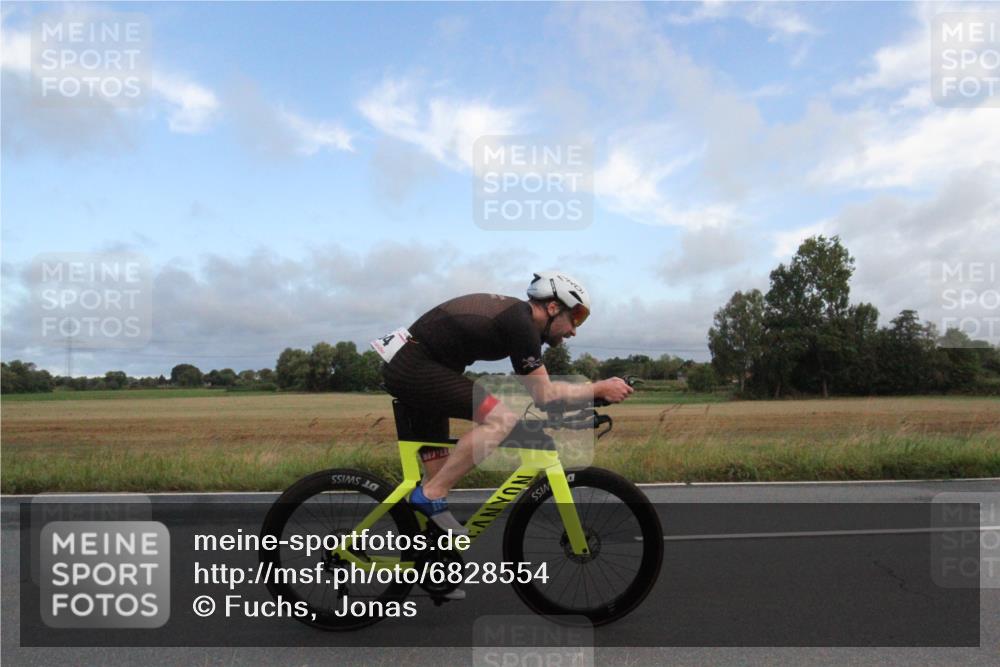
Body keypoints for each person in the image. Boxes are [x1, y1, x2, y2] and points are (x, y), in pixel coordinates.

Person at [380, 271, 634, 536]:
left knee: (440, 474)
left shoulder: (518, 318)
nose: (573, 331)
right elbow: (545, 395)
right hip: (415, 368)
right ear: (552, 307)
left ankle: (422, 559)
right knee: (501, 420)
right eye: (575, 319)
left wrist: (592, 395)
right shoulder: (520, 324)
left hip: (422, 367)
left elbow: (542, 395)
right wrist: (598, 387)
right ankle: (430, 495)